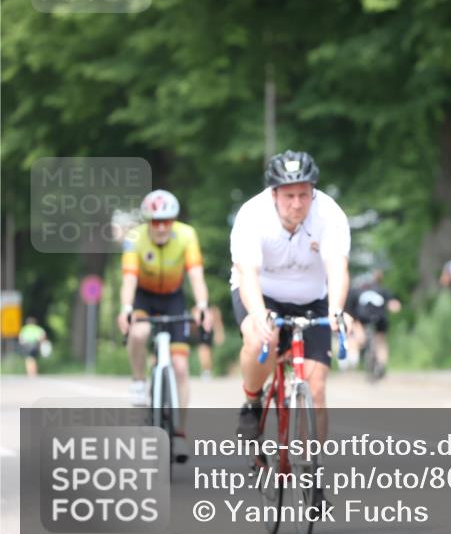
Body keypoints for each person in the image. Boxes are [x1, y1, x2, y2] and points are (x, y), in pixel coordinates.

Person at [231, 150, 351, 447]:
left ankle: (312, 476)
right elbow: (248, 274)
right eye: (289, 196)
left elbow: (337, 267)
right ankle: (252, 400)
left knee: (318, 387)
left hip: (312, 299)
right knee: (262, 338)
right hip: (263, 293)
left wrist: (337, 309)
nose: (297, 204)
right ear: (274, 194)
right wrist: (259, 315)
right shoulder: (252, 215)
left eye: (304, 195)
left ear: (313, 192)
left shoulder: (329, 214)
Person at [118, 189, 213, 462]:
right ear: (147, 221)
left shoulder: (186, 235)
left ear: (173, 221)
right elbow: (128, 281)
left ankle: (180, 433)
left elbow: (196, 275)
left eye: (166, 221)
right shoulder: (134, 238)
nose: (160, 227)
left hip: (173, 297)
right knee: (140, 330)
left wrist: (203, 305)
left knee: (181, 367)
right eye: (155, 221)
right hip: (143, 297)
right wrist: (126, 310)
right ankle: (138, 381)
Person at [345, 269, 402, 379]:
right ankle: (381, 364)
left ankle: (374, 363)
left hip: (364, 319)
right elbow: (394, 304)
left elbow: (350, 311)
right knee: (380, 342)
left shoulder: (355, 292)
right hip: (377, 318)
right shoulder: (382, 290)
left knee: (364, 339)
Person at [196, 305, 225, 379]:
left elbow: (218, 322)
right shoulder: (197, 309)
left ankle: (207, 370)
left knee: (207, 351)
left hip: (208, 332)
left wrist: (219, 333)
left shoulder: (213, 309)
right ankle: (206, 370)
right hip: (201, 332)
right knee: (203, 350)